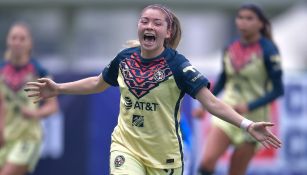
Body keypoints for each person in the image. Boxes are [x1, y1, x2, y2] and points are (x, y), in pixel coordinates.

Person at [24, 4, 281, 175]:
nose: (149, 26)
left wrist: (248, 124)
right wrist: (58, 88)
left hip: (165, 157)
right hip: (126, 146)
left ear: (168, 32)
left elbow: (212, 102)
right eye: (144, 21)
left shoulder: (179, 66)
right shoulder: (124, 59)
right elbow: (97, 83)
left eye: (157, 23)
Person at [197, 3, 284, 175]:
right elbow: (223, 79)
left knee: (235, 172)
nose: (243, 22)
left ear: (261, 23)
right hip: (228, 112)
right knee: (207, 161)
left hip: (255, 120)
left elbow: (278, 90)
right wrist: (204, 104)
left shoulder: (269, 50)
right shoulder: (230, 47)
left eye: (249, 18)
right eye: (240, 18)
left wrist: (249, 106)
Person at [0, 22, 58, 175]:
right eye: (14, 38)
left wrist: (35, 114)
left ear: (29, 43)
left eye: (22, 38)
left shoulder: (39, 71)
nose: (17, 42)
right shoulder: (1, 71)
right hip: (5, 137)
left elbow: (53, 107)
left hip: (28, 138)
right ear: (8, 41)